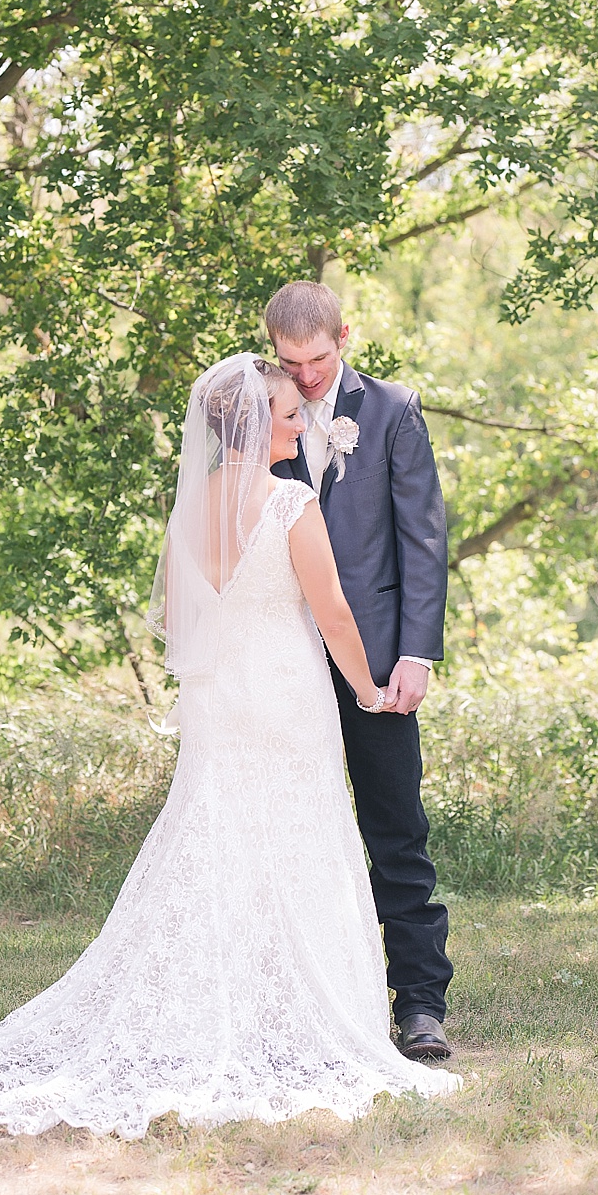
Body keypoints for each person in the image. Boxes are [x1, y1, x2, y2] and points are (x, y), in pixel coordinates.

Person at [0, 355, 462, 1136]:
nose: (297, 422)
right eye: (284, 414)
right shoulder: (289, 503)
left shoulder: (195, 511)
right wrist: (370, 691)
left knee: (217, 843)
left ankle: (222, 1006)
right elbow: (337, 618)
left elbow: (180, 628)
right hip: (284, 694)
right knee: (299, 839)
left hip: (217, 700)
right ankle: (299, 1015)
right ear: (255, 424)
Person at [263, 280, 455, 1063]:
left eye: (318, 360)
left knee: (396, 832)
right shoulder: (253, 410)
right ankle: (293, 995)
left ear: (345, 336)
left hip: (376, 659)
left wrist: (416, 652)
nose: (306, 378)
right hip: (280, 660)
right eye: (290, 362)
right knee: (289, 833)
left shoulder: (391, 411)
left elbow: (423, 538)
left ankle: (419, 1004)